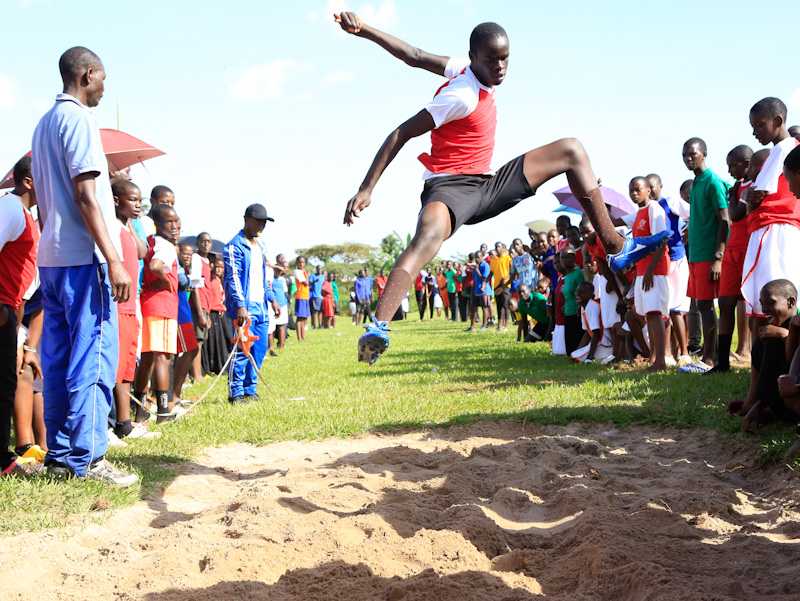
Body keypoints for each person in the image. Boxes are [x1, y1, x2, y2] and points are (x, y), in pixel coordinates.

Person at [334, 13, 668, 364]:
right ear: (474, 56)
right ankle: (379, 326)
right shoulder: (460, 95)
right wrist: (366, 188)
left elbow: (413, 55)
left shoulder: (465, 67)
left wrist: (364, 30)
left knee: (572, 150)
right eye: (491, 59)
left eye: (504, 58)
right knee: (427, 237)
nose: (499, 66)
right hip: (450, 188)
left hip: (488, 182)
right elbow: (401, 133)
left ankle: (615, 246)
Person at [31, 47, 136, 486]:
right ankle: (89, 458)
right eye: (103, 79)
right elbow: (87, 195)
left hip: (51, 259)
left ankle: (58, 455)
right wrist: (114, 258)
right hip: (82, 259)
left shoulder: (43, 124)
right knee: (92, 357)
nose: (104, 88)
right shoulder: (79, 120)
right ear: (88, 75)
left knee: (56, 359)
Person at [741, 98, 800, 351]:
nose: (755, 132)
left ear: (778, 121)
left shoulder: (785, 148)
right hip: (773, 228)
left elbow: (757, 197)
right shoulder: (780, 149)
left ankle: (775, 359)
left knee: (773, 297)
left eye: (760, 125)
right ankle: (767, 363)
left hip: (775, 229)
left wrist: (746, 199)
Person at [0, 156, 44, 477]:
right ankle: (3, 462)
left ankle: (4, 460)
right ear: (28, 181)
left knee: (5, 385)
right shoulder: (11, 209)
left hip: (10, 313)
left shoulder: (28, 215)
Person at [679, 138, 730, 374]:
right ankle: (709, 356)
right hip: (696, 255)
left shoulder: (713, 182)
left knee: (708, 306)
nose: (689, 158)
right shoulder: (696, 183)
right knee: (700, 305)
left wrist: (718, 256)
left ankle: (709, 360)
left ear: (704, 154)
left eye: (693, 154)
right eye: (685, 155)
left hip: (710, 255)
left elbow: (725, 220)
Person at [223, 204, 281, 404]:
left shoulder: (260, 245)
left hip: (261, 305)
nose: (261, 226)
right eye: (258, 221)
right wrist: (240, 304)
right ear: (246, 219)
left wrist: (272, 298)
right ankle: (236, 392)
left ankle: (250, 388)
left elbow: (263, 276)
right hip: (245, 306)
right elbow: (234, 278)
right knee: (242, 349)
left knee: (260, 348)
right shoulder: (234, 246)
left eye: (264, 222)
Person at [132, 203, 181, 423]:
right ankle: (163, 411)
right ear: (157, 224)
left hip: (147, 302)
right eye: (168, 222)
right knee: (163, 358)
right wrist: (165, 280)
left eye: (176, 220)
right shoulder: (166, 246)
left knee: (148, 358)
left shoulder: (149, 241)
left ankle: (140, 409)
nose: (174, 226)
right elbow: (154, 266)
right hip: (162, 304)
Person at [110, 180, 151, 440]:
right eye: (132, 200)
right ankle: (111, 423)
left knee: (127, 366)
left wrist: (132, 224)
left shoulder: (126, 226)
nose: (138, 205)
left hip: (130, 305)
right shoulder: (111, 227)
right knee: (114, 368)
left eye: (139, 200)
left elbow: (142, 251)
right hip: (116, 305)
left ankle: (125, 423)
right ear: (116, 200)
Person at [731, 280, 798, 435]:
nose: (765, 309)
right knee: (764, 339)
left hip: (796, 401)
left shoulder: (797, 323)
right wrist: (757, 405)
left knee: (773, 340)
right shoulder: (774, 329)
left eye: (770, 302)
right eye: (762, 303)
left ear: (790, 302)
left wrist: (784, 334)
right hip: (782, 402)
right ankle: (756, 400)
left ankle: (760, 401)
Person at [713, 146, 755, 373]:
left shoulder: (754, 185)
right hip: (733, 250)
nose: (729, 170)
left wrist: (732, 198)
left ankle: (753, 356)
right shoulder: (737, 187)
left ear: (748, 163)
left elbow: (735, 214)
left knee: (753, 304)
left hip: (750, 249)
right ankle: (722, 362)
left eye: (733, 165)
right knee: (725, 302)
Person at [646, 173, 692, 366]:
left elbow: (694, 212)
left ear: (660, 186)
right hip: (661, 262)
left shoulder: (670, 201)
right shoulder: (647, 210)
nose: (649, 190)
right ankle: (668, 353)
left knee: (677, 309)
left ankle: (685, 352)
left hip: (677, 259)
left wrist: (691, 229)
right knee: (664, 309)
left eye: (652, 186)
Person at [628, 177, 669, 372]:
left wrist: (651, 270)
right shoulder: (638, 213)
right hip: (643, 270)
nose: (634, 193)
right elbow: (613, 220)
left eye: (638, 189)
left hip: (654, 270)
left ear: (648, 190)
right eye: (631, 190)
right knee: (648, 315)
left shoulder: (654, 209)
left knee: (655, 314)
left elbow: (662, 240)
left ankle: (660, 360)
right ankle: (653, 358)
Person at [570, 281, 613, 363]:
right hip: (598, 342)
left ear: (591, 296)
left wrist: (590, 356)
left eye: (582, 292)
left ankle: (603, 355)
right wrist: (578, 350)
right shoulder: (583, 307)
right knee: (574, 355)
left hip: (604, 343)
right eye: (577, 291)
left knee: (576, 358)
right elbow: (587, 333)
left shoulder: (591, 306)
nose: (578, 294)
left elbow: (596, 332)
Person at [560, 247, 585, 355]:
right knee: (569, 346)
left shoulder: (578, 273)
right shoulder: (567, 275)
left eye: (567, 257)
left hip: (577, 312)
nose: (564, 260)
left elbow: (583, 293)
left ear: (574, 258)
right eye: (563, 258)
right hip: (568, 311)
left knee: (576, 343)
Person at [466, 249, 491, 331]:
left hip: (484, 290)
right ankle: (472, 326)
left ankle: (483, 326)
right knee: (472, 307)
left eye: (478, 257)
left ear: (482, 257)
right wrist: (471, 291)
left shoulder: (485, 265)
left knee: (485, 308)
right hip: (476, 290)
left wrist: (477, 270)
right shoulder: (476, 266)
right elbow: (475, 279)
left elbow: (484, 278)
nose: (476, 259)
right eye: (475, 258)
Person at [270, 256, 290, 352]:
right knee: (272, 328)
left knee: (282, 327)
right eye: (276, 270)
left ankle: (281, 347)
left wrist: (288, 306)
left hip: (283, 304)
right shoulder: (270, 279)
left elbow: (285, 293)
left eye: (279, 270)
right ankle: (271, 347)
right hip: (273, 305)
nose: (278, 272)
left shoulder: (282, 280)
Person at [293, 256, 310, 340]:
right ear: (297, 263)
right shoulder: (298, 272)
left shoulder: (302, 272)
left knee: (304, 317)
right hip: (300, 296)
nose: (301, 264)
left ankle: (303, 336)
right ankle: (299, 336)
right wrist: (306, 274)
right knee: (299, 317)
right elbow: (306, 283)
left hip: (305, 296)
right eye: (299, 262)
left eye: (303, 262)